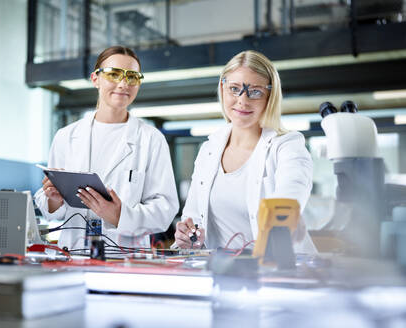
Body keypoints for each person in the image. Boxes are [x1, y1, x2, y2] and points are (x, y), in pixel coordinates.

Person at [34, 46, 179, 250]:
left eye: (132, 77)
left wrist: (120, 216)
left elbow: (165, 209)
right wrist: (53, 200)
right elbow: (49, 205)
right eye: (114, 74)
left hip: (127, 256)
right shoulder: (66, 136)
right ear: (96, 79)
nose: (123, 84)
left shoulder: (151, 139)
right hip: (75, 253)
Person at [174, 50, 316, 253]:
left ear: (270, 97)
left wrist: (283, 221)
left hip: (278, 268)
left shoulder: (287, 146)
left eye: (255, 91)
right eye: (234, 88)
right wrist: (190, 238)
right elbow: (194, 220)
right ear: (222, 89)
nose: (243, 100)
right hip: (222, 272)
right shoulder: (209, 150)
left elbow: (290, 197)